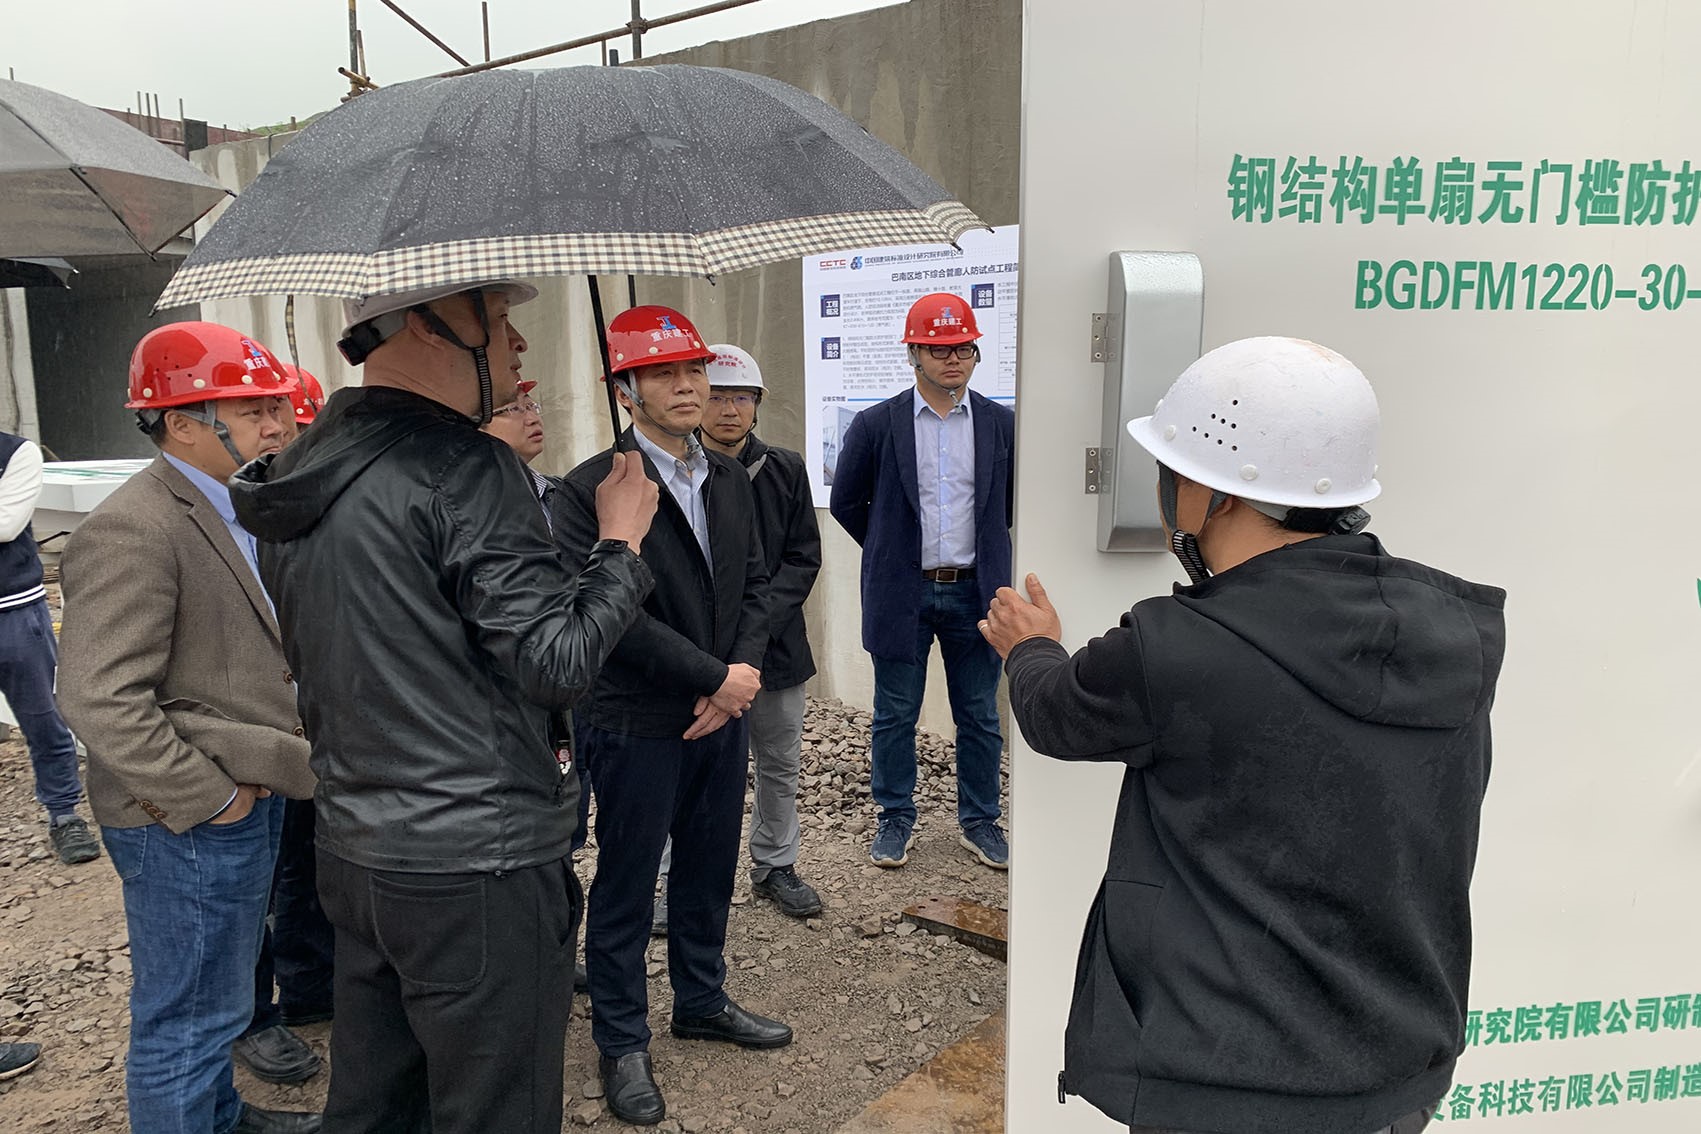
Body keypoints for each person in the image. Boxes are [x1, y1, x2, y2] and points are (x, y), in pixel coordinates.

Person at [981, 337, 1506, 1134]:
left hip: (1223, 1083)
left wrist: (1030, 648)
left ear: (1210, 494)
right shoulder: (1452, 631)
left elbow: (1055, 714)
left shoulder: (1175, 646)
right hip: (1397, 1076)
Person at [229, 280, 657, 1134]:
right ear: (424, 326)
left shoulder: (305, 464)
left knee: (378, 1106)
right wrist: (620, 541)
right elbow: (556, 663)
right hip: (477, 862)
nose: (517, 342)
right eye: (495, 318)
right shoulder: (466, 467)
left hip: (357, 851)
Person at [56, 322, 322, 1134]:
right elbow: (98, 697)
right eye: (253, 410)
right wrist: (211, 800)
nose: (277, 425)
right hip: (187, 815)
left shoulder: (238, 505)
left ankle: (217, 1114)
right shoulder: (134, 527)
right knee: (187, 1016)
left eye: (277, 406)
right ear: (180, 423)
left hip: (247, 786)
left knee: (221, 995)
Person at [554, 305, 787, 1127]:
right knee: (626, 882)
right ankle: (621, 1040)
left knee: (707, 866)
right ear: (626, 390)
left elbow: (754, 583)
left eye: (694, 370)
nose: (687, 386)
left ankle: (701, 998)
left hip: (720, 714)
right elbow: (609, 614)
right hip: (634, 718)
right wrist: (714, 678)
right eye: (662, 373)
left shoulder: (726, 476)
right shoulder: (590, 490)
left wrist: (739, 679)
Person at [828, 292, 1015, 871]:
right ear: (913, 354)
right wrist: (893, 550)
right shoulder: (877, 424)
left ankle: (980, 820)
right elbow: (847, 502)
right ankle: (894, 816)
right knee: (894, 712)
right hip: (901, 590)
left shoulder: (1001, 424)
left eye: (963, 347)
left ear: (976, 352)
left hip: (975, 590)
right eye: (938, 349)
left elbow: (1007, 505)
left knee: (980, 713)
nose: (952, 358)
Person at [696, 343, 823, 918]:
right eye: (717, 396)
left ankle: (775, 863)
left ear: (757, 404)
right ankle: (677, 874)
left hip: (776, 648)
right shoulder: (676, 471)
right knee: (691, 768)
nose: (729, 410)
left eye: (742, 398)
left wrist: (754, 624)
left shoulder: (784, 468)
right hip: (701, 653)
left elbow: (802, 557)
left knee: (779, 762)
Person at [240, 366, 335, 1080]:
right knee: (253, 883)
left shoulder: (315, 508)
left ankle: (309, 984)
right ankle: (253, 1014)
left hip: (315, 721)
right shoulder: (221, 517)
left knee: (307, 860)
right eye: (274, 423)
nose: (285, 438)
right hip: (248, 736)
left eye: (299, 426)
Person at [0, 425, 99, 865]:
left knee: (43, 719)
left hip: (14, 611)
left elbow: (6, 525)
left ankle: (64, 814)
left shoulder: (15, 453)